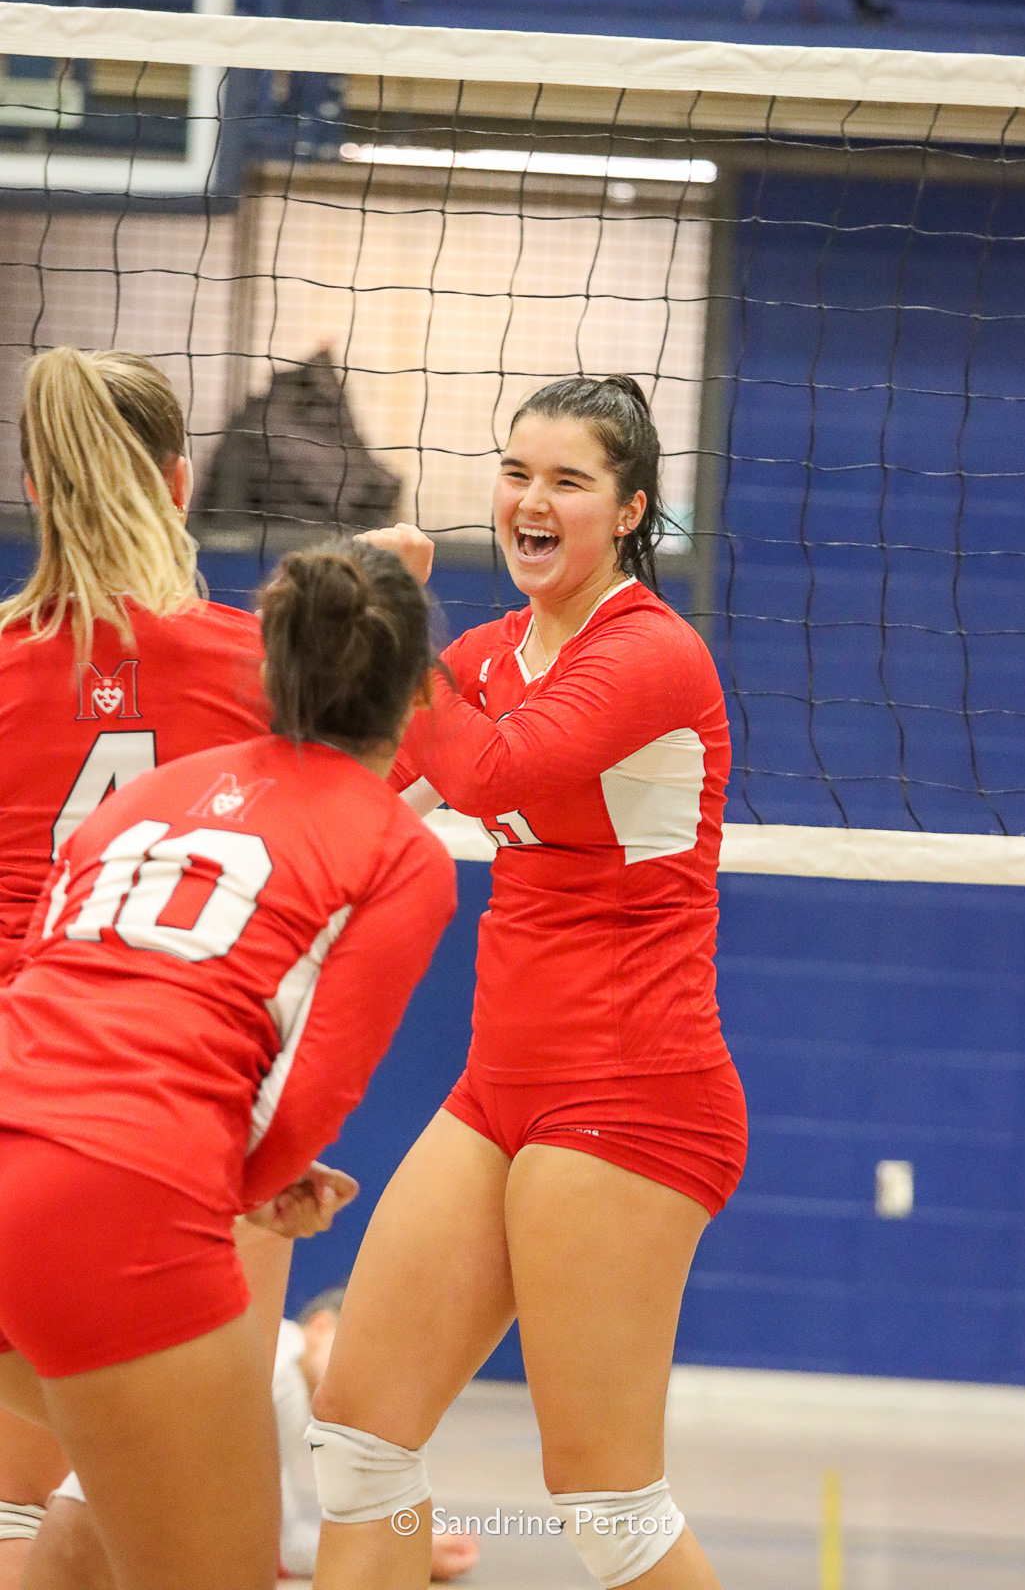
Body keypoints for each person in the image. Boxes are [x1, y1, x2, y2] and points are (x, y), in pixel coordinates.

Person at [308, 375, 748, 1590]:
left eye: (567, 481)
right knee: (357, 1436)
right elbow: (350, 787)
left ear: (629, 511)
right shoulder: (486, 653)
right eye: (516, 474)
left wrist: (395, 616)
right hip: (501, 1086)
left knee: (605, 1502)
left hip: (634, 1093)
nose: (531, 502)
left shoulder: (653, 651)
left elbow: (494, 769)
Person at [0, 540, 456, 1590]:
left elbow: (41, 972)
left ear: (267, 674)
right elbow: (312, 1097)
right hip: (121, 1194)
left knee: (106, 1502)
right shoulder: (397, 851)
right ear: (418, 695)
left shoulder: (142, 795)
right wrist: (260, 1187)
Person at [0, 343, 280, 1586]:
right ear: (179, 486)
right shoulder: (259, 665)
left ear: (40, 490)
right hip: (142, 1128)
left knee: (65, 1511)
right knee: (201, 1532)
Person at [274, 1290, 478, 1583]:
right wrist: (398, 1551)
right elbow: (278, 1548)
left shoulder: (275, 1358)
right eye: (364, 1349)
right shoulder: (284, 1380)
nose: (373, 1373)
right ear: (320, 1326)